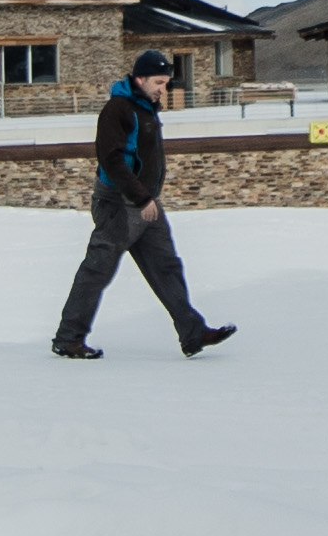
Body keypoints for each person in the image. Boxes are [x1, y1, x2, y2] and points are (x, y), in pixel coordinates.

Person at [54, 49, 235, 359]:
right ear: (140, 79)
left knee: (166, 267)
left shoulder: (144, 107)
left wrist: (145, 197)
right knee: (97, 270)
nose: (164, 89)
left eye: (166, 83)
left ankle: (192, 332)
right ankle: (68, 338)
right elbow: (111, 160)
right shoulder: (118, 109)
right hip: (118, 204)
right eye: (158, 82)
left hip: (144, 203)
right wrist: (140, 197)